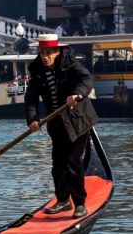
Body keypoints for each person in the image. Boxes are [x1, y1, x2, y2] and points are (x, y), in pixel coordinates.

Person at [25, 33, 98, 220]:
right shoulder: (37, 69)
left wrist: (77, 95)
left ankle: (80, 203)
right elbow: (31, 98)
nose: (45, 57)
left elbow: (86, 80)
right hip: (56, 122)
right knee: (58, 165)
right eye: (42, 53)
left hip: (78, 120)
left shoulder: (70, 62)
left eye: (49, 53)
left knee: (73, 162)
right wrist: (33, 119)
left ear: (57, 52)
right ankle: (63, 200)